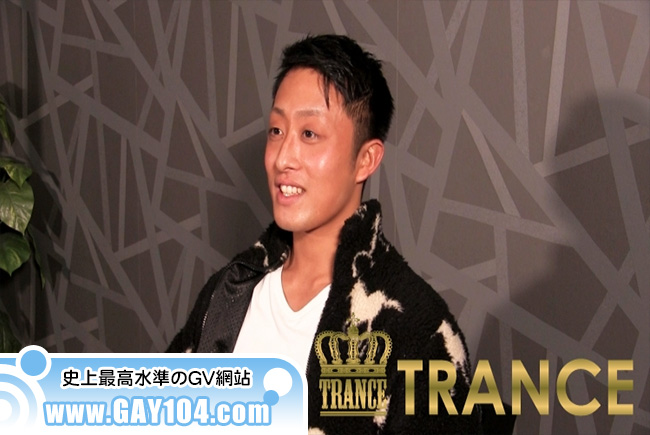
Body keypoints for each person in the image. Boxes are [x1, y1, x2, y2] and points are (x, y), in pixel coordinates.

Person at [168, 34, 480, 433]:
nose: (283, 158)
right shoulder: (230, 291)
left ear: (366, 159)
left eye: (309, 134)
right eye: (276, 131)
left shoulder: (416, 330)